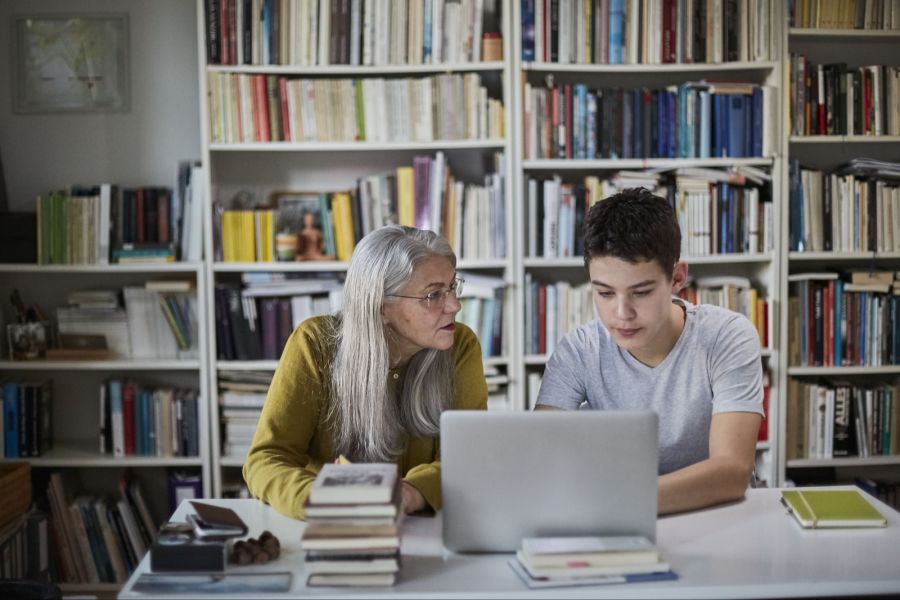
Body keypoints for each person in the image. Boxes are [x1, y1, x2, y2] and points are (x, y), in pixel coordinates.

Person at [535, 188, 763, 515]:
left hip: (717, 517)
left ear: (677, 277)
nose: (622, 314)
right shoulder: (578, 350)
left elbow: (732, 471)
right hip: (618, 518)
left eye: (641, 292)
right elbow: (541, 459)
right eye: (605, 293)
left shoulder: (727, 336)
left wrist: (619, 502)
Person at [244, 225, 488, 519]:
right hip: (330, 528)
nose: (455, 305)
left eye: (452, 287)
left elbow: (469, 457)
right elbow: (266, 460)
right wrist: (326, 500)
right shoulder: (314, 344)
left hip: (427, 528)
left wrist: (410, 493)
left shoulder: (460, 345)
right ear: (381, 307)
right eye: (433, 295)